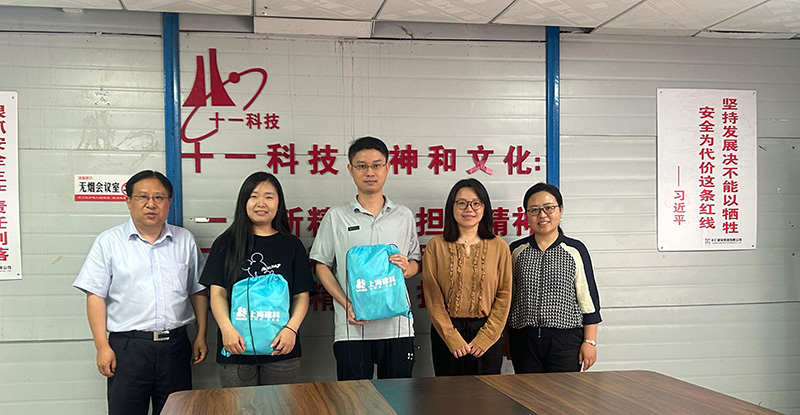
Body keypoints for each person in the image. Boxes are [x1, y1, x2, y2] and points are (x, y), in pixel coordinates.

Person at [73, 170, 208, 415]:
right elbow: (95, 295)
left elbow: (197, 291)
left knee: (176, 411)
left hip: (176, 347)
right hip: (128, 349)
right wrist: (102, 346)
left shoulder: (185, 240)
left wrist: (201, 334)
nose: (151, 204)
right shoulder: (108, 242)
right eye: (142, 197)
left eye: (159, 197)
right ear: (128, 201)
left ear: (169, 202)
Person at [310, 136, 422, 381]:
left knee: (397, 397)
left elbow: (415, 262)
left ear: (387, 168)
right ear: (350, 170)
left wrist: (407, 268)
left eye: (377, 165)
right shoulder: (336, 216)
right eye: (362, 166)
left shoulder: (403, 215)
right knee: (354, 398)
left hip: (397, 327)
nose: (370, 172)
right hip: (352, 328)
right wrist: (346, 304)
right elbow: (321, 265)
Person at [199, 172, 316, 387]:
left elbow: (301, 295)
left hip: (282, 349)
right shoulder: (226, 243)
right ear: (244, 202)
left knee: (280, 405)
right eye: (253, 196)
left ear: (279, 204)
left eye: (269, 197)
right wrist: (226, 329)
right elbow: (218, 293)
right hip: (235, 348)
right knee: (238, 405)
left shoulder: (291, 245)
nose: (261, 203)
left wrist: (291, 329)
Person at [507, 182, 602, 373]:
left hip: (566, 342)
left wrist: (590, 341)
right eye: (534, 210)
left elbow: (588, 299)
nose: (542, 215)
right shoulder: (516, 251)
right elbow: (508, 299)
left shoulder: (575, 250)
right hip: (524, 341)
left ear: (560, 210)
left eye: (549, 208)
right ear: (527, 215)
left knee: (563, 392)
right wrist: (505, 339)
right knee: (526, 391)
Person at [422, 179, 512, 376]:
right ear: (451, 207)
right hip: (447, 335)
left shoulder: (499, 247)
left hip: (487, 335)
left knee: (487, 393)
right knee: (449, 393)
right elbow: (432, 297)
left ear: (484, 208)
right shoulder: (435, 246)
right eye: (461, 203)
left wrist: (486, 337)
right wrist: (451, 337)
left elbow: (504, 295)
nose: (469, 209)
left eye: (476, 203)